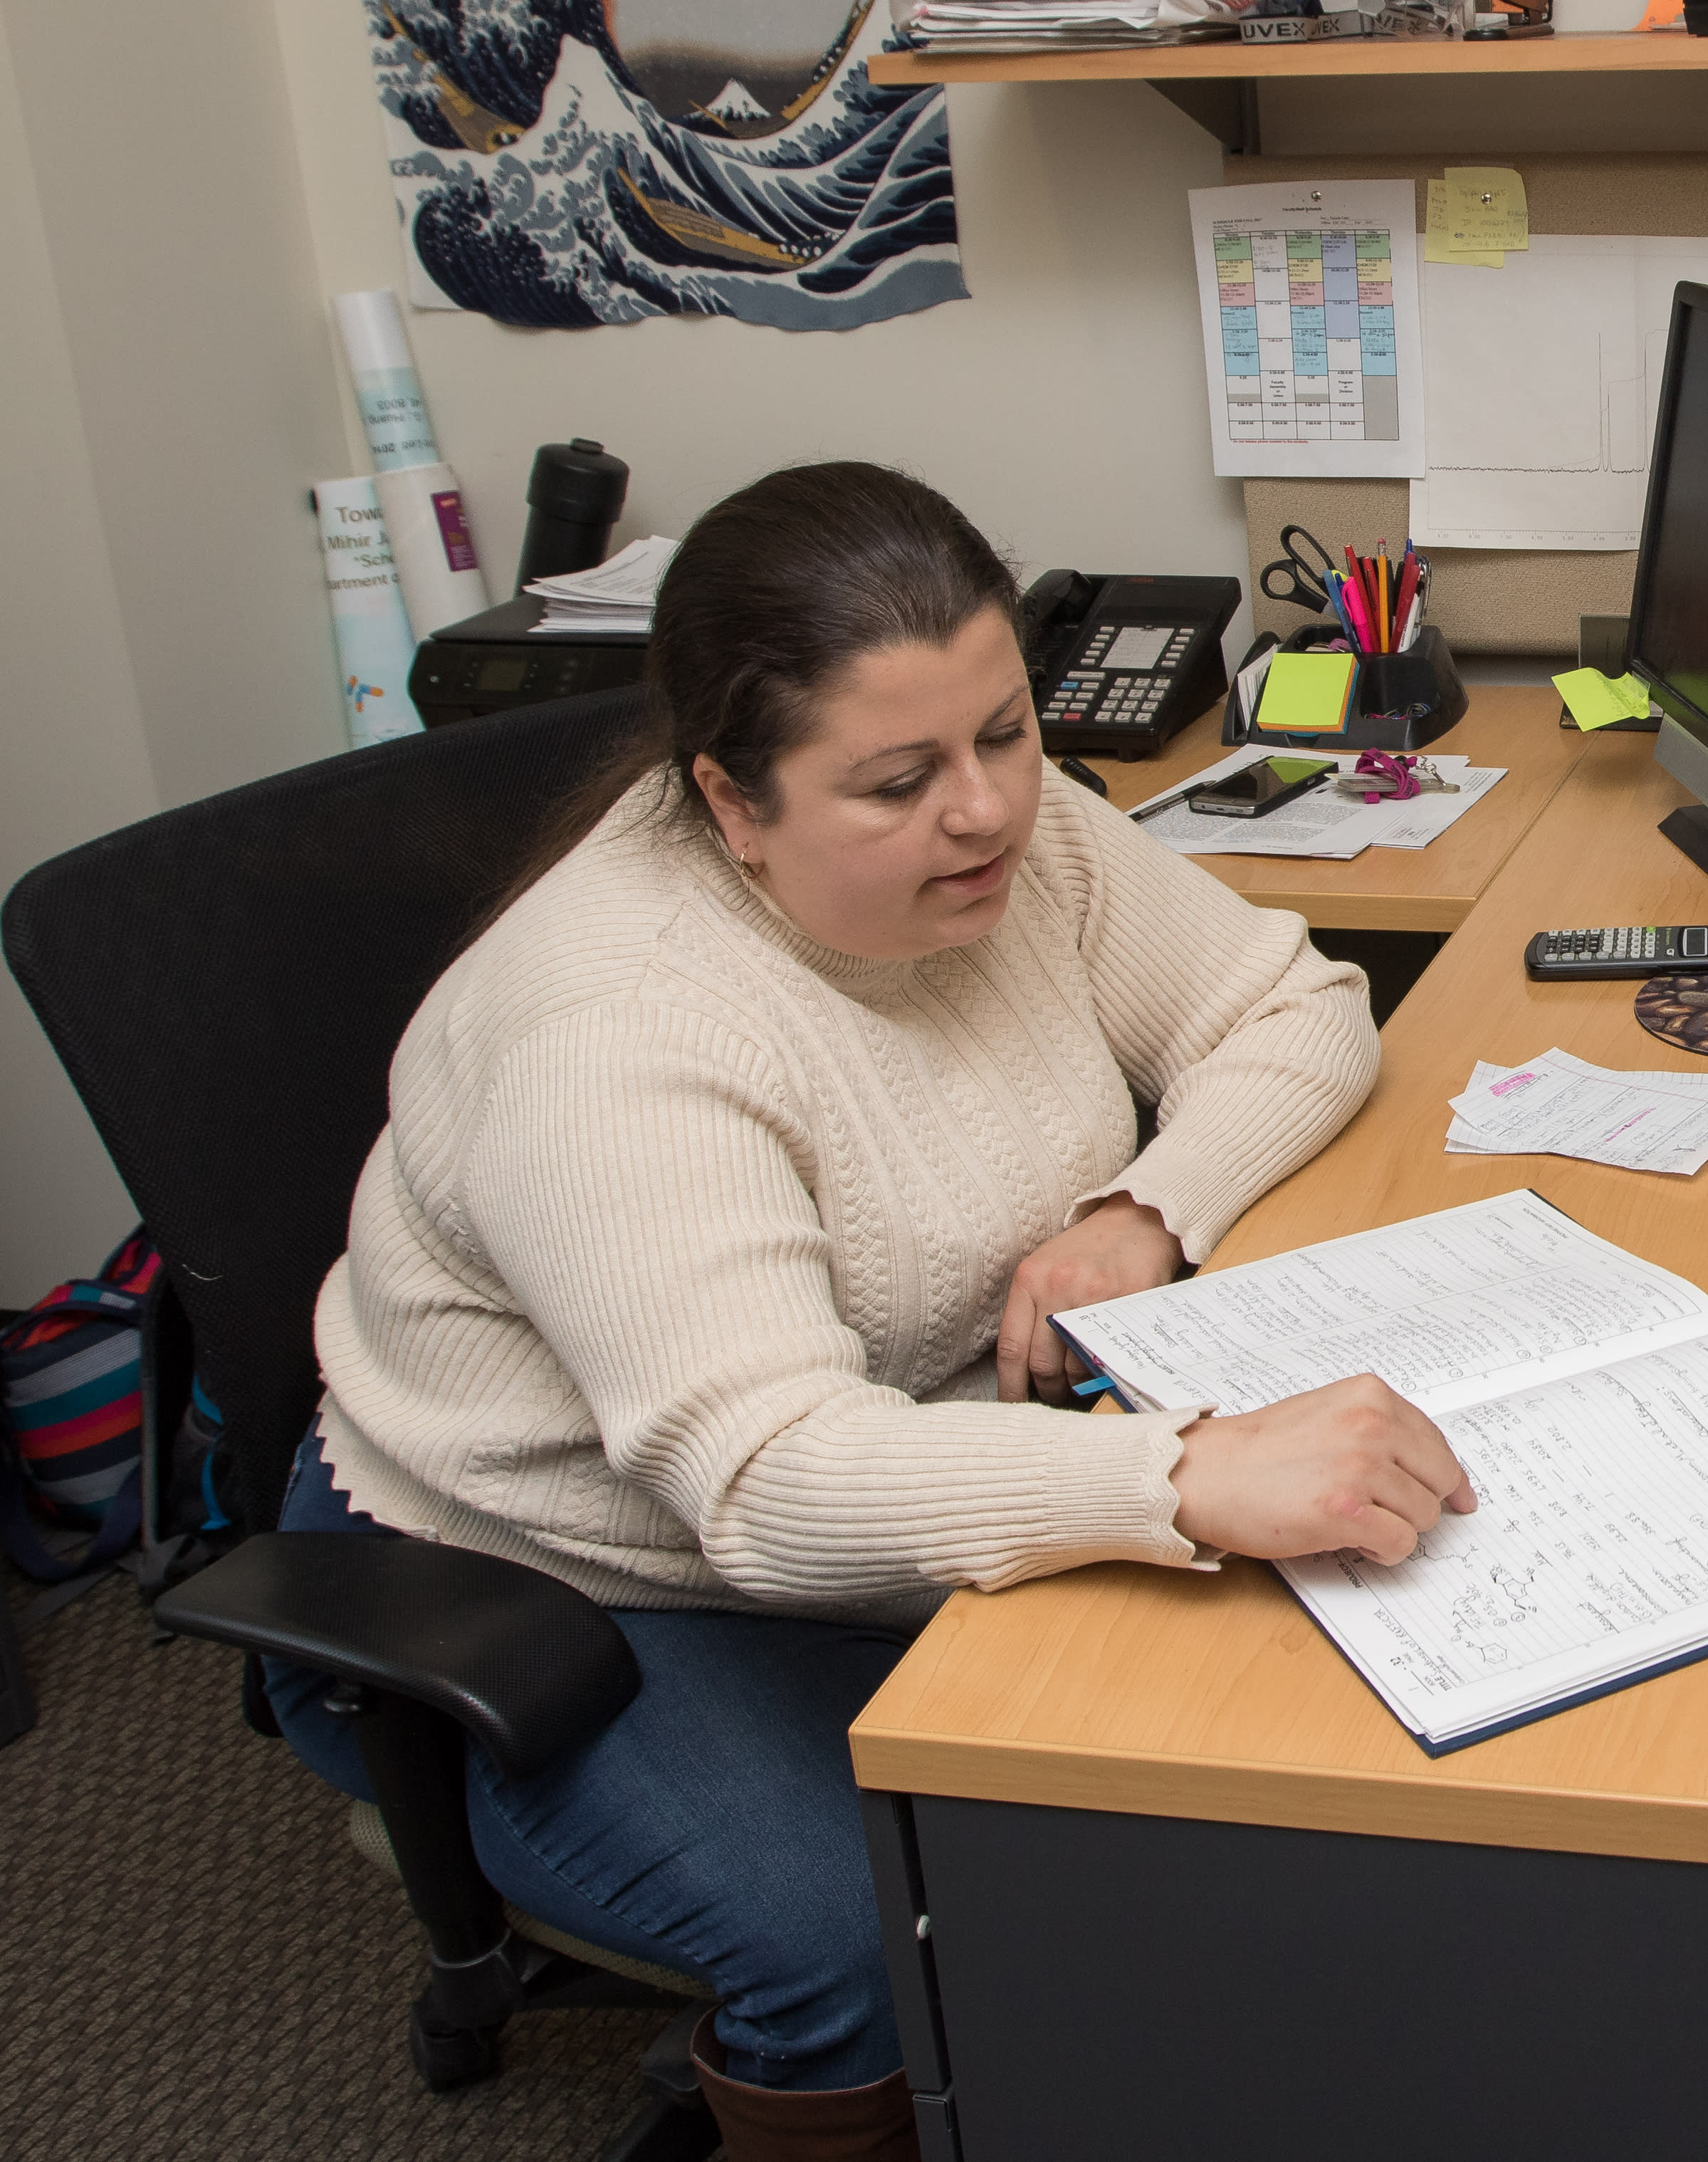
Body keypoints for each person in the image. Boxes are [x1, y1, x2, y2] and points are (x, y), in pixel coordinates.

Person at [263, 464, 1473, 2161]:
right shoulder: (614, 1036)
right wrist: (1174, 1482)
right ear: (731, 801)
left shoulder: (1018, 835)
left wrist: (1147, 1206)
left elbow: (1292, 1004)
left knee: (1263, 1736)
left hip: (929, 1427)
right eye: (897, 780)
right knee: (858, 1932)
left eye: (1005, 731)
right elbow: (767, 1483)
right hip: (572, 1560)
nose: (984, 811)